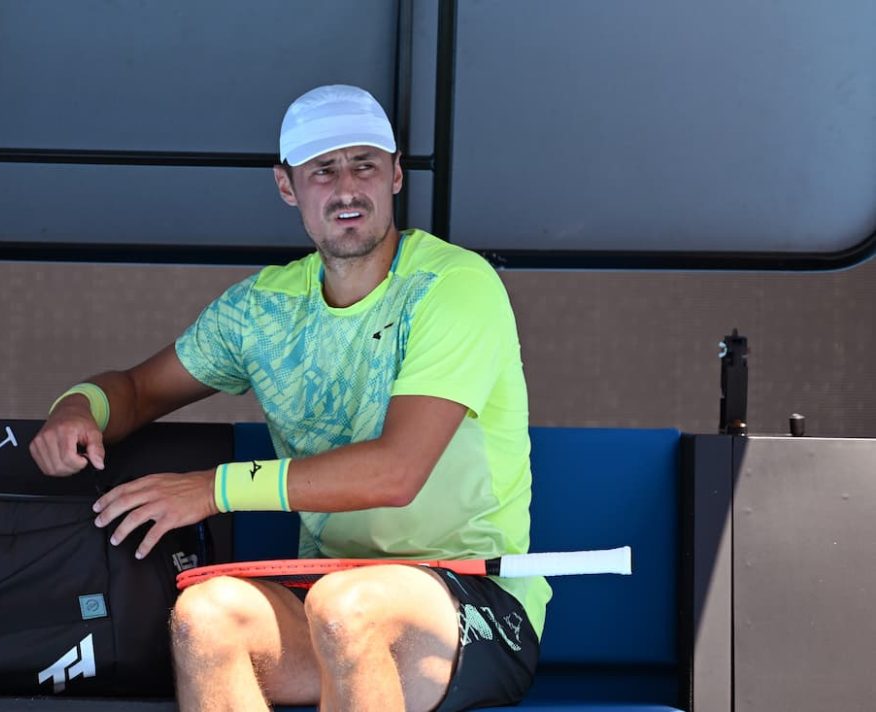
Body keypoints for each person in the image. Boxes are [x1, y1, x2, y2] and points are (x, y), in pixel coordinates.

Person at [30, 84, 551, 711]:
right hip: (329, 591)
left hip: (474, 599)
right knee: (206, 614)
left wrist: (212, 489)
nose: (347, 188)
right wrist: (77, 407)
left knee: (347, 607)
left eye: (365, 165)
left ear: (395, 176)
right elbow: (138, 390)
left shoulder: (454, 285)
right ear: (287, 185)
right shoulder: (262, 308)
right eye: (322, 171)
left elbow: (396, 472)